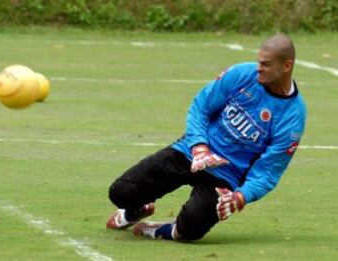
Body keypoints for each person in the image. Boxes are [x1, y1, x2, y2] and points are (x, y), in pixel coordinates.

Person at [106, 34, 306, 241]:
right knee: (120, 192)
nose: (259, 68)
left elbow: (268, 171)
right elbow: (201, 107)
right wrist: (200, 147)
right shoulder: (242, 74)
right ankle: (136, 212)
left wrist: (240, 197)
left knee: (190, 231)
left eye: (265, 64)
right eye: (258, 62)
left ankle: (159, 230)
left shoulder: (293, 117)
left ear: (286, 65)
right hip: (192, 152)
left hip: (225, 176)